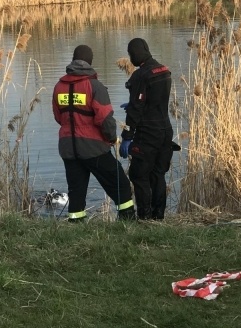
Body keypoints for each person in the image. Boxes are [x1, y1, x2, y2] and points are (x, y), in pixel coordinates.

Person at [53, 45, 136, 222]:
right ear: (90, 62)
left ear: (73, 60)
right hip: (93, 147)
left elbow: (59, 117)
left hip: (68, 148)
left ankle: (76, 222)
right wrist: (112, 138)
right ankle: (128, 220)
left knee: (76, 189)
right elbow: (105, 119)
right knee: (120, 183)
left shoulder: (59, 87)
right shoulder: (95, 86)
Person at [119, 38, 176, 220]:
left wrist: (127, 136)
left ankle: (144, 217)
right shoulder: (164, 71)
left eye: (131, 54)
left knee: (139, 175)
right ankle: (158, 216)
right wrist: (135, 104)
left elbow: (136, 110)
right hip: (165, 130)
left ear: (135, 53)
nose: (130, 58)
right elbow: (153, 101)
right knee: (158, 174)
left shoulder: (141, 75)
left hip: (147, 134)